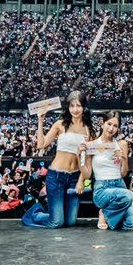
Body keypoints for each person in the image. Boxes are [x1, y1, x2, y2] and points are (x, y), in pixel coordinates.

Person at [33, 92, 90, 229]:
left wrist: (81, 181)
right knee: (57, 222)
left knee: (70, 222)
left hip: (74, 177)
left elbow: (87, 160)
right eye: (72, 106)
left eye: (79, 106)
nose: (75, 109)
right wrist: (40, 121)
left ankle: (54, 214)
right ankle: (35, 214)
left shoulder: (89, 129)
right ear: (68, 107)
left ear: (84, 107)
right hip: (56, 176)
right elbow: (41, 144)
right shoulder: (60, 124)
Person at [85, 112, 133, 232]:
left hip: (119, 185)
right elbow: (87, 174)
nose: (111, 128)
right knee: (129, 195)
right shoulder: (92, 145)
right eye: (109, 124)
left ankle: (107, 214)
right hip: (102, 189)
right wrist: (79, 155)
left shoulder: (121, 144)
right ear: (102, 123)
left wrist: (124, 158)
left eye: (115, 126)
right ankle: (106, 213)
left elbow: (123, 173)